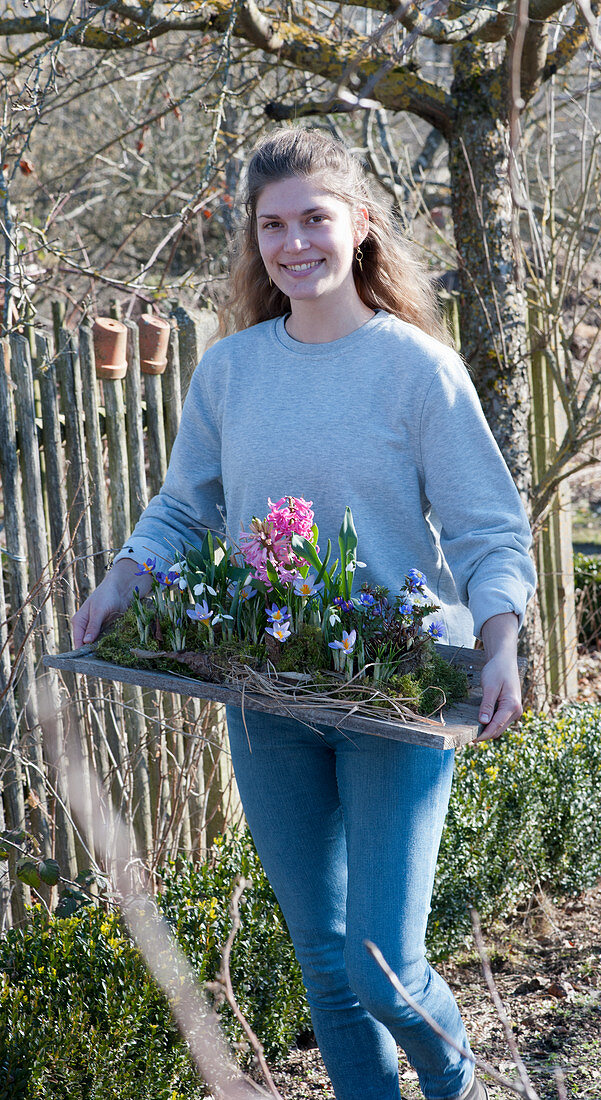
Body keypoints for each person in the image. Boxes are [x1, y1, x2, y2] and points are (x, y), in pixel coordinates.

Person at [72, 127, 536, 1100]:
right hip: (268, 694)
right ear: (254, 236)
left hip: (395, 696)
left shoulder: (417, 370)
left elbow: (489, 526)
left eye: (314, 219)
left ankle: (454, 1081)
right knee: (325, 965)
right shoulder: (232, 371)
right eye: (273, 224)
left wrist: (499, 641)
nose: (294, 244)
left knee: (383, 965)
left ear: (359, 225)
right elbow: (183, 505)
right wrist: (124, 575)